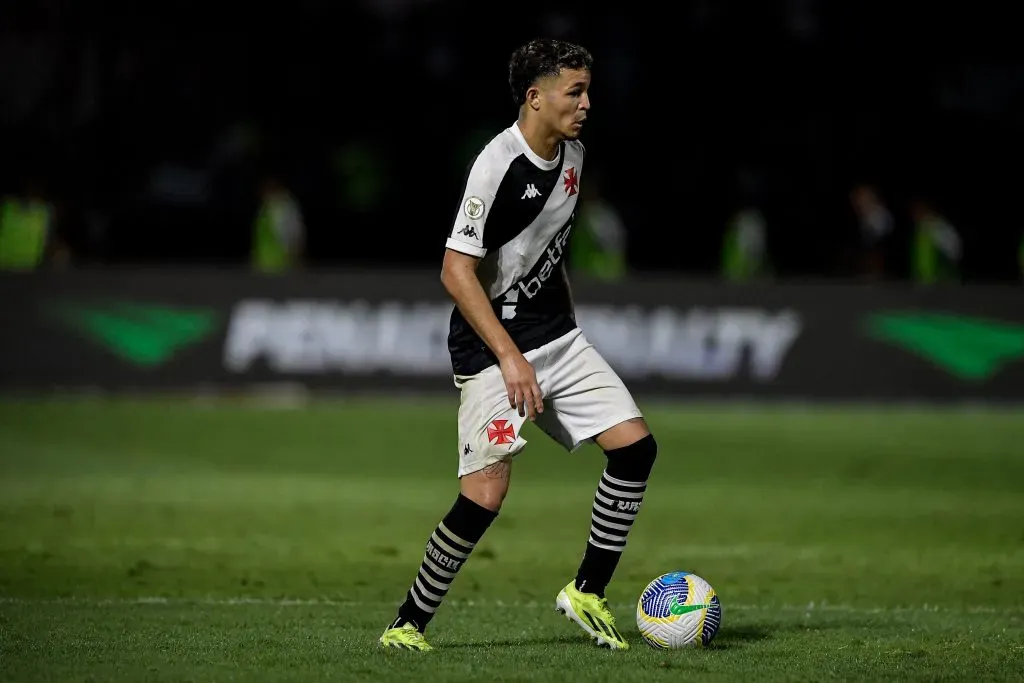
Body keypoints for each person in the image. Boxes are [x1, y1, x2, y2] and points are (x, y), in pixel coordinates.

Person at [378, 38, 657, 652]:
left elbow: (548, 249)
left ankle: (587, 591)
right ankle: (407, 624)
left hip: (556, 336)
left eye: (588, 91)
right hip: (491, 348)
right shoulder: (496, 164)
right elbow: (455, 270)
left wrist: (568, 325)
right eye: (574, 92)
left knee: (636, 450)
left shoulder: (574, 155)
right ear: (535, 97)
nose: (587, 104)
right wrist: (510, 358)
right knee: (485, 493)